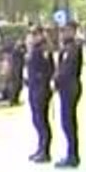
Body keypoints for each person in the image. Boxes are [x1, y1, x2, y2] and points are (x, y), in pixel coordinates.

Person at [54, 22, 83, 169]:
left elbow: (66, 69)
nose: (62, 34)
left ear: (72, 32)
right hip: (67, 88)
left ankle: (72, 155)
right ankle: (71, 153)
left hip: (70, 88)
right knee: (67, 122)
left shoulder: (72, 48)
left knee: (68, 123)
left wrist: (56, 81)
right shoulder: (67, 48)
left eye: (65, 31)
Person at [26, 25, 55, 163]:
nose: (32, 36)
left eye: (34, 34)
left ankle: (45, 150)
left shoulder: (43, 50)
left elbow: (48, 69)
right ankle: (40, 147)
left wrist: (41, 81)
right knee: (36, 120)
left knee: (42, 120)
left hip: (41, 89)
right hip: (34, 87)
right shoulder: (34, 50)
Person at [6, 32, 27, 106]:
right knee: (15, 85)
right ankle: (12, 100)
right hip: (15, 69)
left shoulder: (18, 49)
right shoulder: (16, 51)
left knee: (18, 85)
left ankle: (14, 100)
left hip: (17, 69)